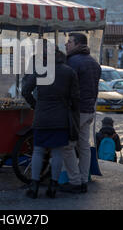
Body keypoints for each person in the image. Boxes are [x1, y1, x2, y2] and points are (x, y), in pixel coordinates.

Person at [22, 47, 80, 199]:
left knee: (38, 151)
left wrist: (35, 105)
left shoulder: (41, 70)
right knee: (57, 152)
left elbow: (25, 90)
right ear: (61, 57)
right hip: (61, 118)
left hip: (42, 117)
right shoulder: (69, 72)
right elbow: (75, 97)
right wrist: (70, 108)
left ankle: (34, 187)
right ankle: (53, 187)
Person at [61, 32, 101, 194]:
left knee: (67, 147)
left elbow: (67, 88)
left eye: (69, 42)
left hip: (76, 111)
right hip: (89, 110)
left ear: (78, 44)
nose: (66, 45)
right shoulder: (94, 63)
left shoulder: (72, 62)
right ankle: (84, 179)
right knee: (84, 146)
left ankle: (75, 181)